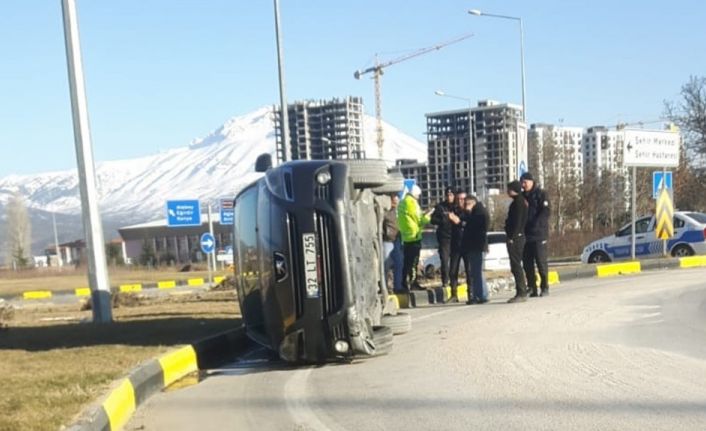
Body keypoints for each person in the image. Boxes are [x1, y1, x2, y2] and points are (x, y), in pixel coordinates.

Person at [452, 195, 490, 304]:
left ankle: (480, 295)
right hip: (474, 245)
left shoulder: (479, 212)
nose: (465, 206)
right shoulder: (476, 212)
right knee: (476, 271)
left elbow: (473, 226)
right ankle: (481, 295)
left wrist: (460, 222)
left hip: (476, 245)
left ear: (472, 203)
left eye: (467, 204)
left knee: (476, 272)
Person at [520, 172, 551, 297]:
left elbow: (546, 212)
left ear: (531, 181)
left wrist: (535, 224)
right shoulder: (522, 197)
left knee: (541, 262)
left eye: (525, 182)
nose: (523, 184)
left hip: (539, 234)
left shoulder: (541, 194)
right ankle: (532, 287)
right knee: (527, 263)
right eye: (522, 182)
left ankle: (545, 286)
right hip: (526, 235)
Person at [397, 185, 433, 292]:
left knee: (406, 262)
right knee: (413, 262)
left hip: (406, 237)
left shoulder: (402, 202)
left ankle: (404, 283)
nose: (418, 197)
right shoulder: (412, 203)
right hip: (414, 236)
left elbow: (409, 218)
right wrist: (428, 216)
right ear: (416, 194)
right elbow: (420, 220)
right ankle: (412, 283)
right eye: (418, 195)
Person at [430, 187, 455, 289]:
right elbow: (433, 220)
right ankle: (445, 281)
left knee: (455, 261)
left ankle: (454, 280)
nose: (449, 197)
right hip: (444, 238)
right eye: (447, 195)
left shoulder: (456, 206)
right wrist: (443, 220)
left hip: (455, 237)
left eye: (451, 195)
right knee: (444, 260)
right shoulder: (440, 207)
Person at [446, 189, 467, 303]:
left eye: (463, 199)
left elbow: (469, 225)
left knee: (469, 270)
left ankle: (471, 293)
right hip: (455, 244)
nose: (460, 201)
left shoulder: (469, 211)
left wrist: (459, 222)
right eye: (458, 199)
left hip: (467, 244)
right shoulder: (454, 210)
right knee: (453, 271)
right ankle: (454, 294)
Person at [383, 194, 404, 293]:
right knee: (386, 265)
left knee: (399, 263)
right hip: (388, 241)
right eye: (393, 199)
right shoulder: (387, 213)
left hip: (397, 240)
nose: (395, 201)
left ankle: (398, 287)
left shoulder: (401, 212)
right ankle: (385, 287)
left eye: (396, 199)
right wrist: (385, 234)